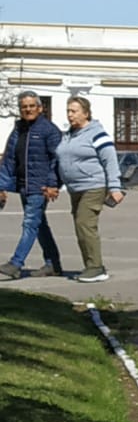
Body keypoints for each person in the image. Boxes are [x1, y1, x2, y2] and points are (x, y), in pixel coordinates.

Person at [57, 96, 124, 283]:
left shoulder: (97, 134)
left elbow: (110, 160)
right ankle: (90, 266)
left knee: (85, 225)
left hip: (93, 185)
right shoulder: (68, 135)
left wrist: (115, 187)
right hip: (75, 188)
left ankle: (96, 267)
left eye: (74, 111)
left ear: (86, 113)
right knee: (80, 228)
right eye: (68, 111)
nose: (70, 115)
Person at [0, 91, 63, 280]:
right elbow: (9, 159)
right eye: (24, 107)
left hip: (40, 187)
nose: (28, 110)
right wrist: (1, 186)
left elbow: (56, 160)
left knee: (30, 224)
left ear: (40, 108)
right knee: (39, 225)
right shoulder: (18, 129)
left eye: (31, 106)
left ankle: (16, 263)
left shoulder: (49, 130)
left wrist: (52, 183)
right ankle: (53, 264)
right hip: (23, 186)